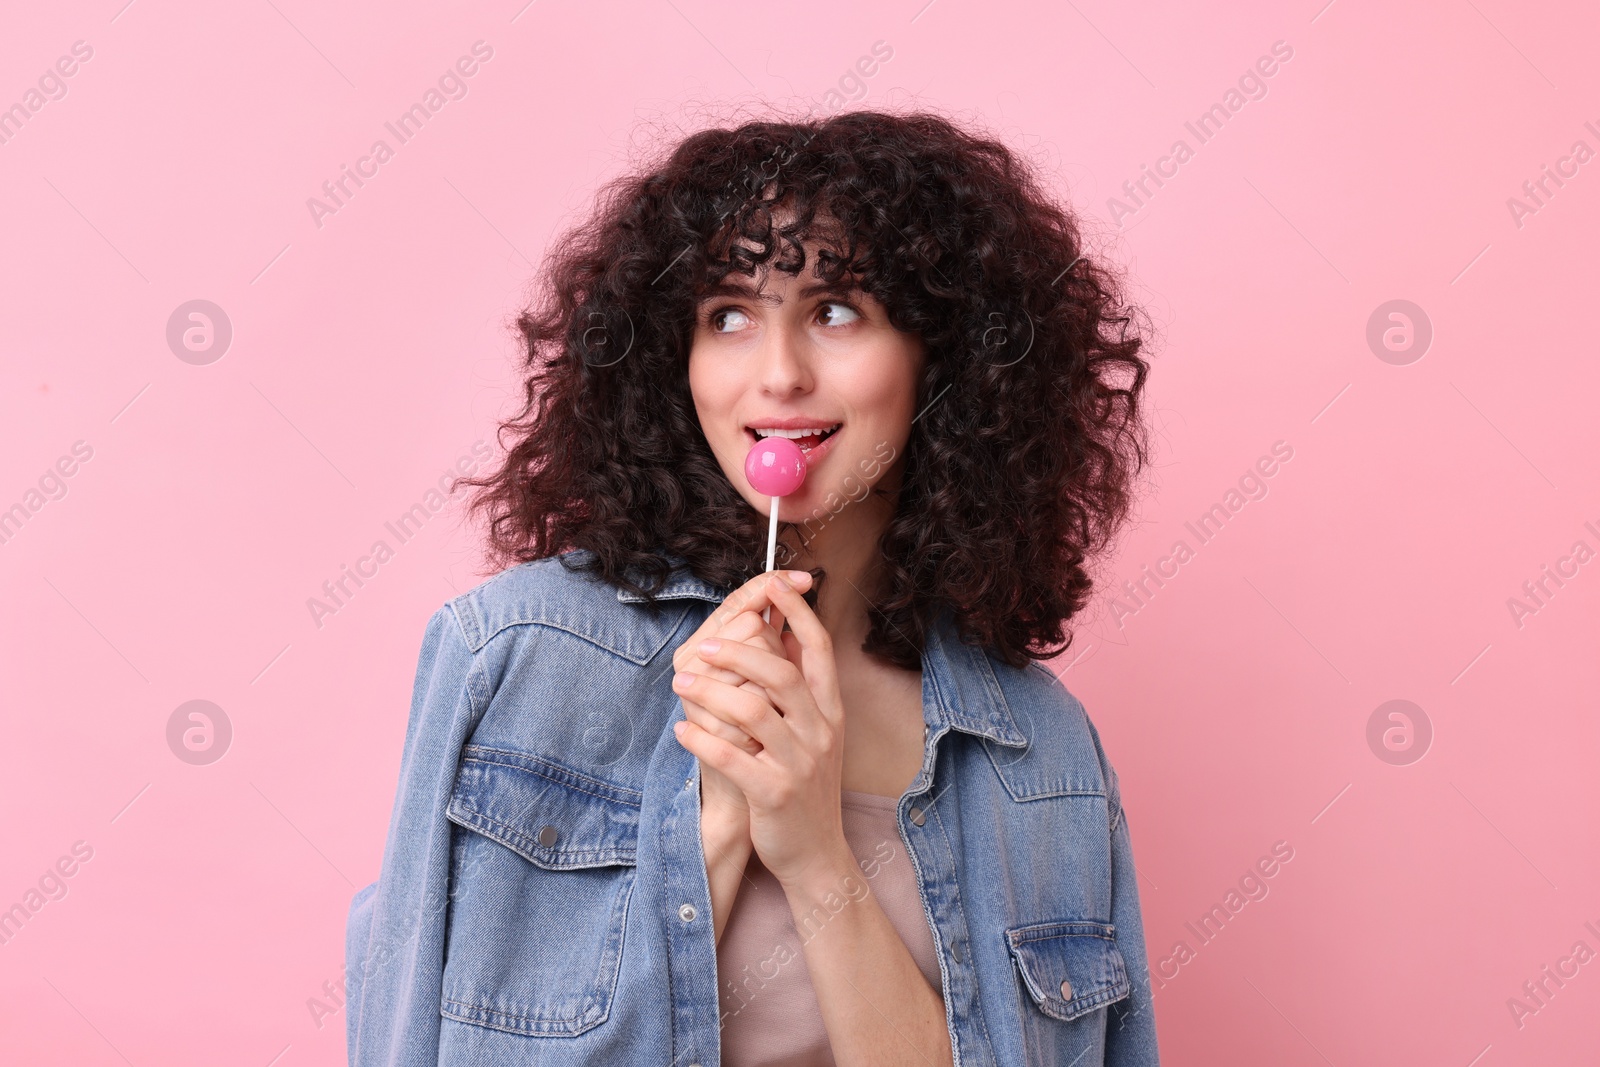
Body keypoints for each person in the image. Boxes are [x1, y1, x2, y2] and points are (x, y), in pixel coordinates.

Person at [344, 108, 1161, 1066]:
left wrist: (816, 850)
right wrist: (719, 825)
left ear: (945, 359)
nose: (777, 374)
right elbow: (399, 1041)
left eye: (836, 311)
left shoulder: (1043, 755)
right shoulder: (515, 657)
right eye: (728, 315)